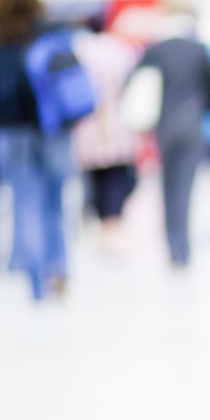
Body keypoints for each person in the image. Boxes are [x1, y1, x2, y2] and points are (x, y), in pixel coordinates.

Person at [0, 0, 72, 298]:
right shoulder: (48, 27)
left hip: (9, 130)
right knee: (55, 201)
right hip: (53, 128)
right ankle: (58, 269)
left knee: (25, 202)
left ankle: (36, 281)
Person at [137, 11, 210, 267]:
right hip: (192, 126)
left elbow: (136, 85)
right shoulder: (198, 50)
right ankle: (182, 248)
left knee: (167, 187)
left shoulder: (155, 50)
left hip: (164, 127)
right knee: (185, 188)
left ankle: (173, 245)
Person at [71, 15, 139, 255]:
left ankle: (101, 230)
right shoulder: (120, 50)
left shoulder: (79, 51)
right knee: (116, 178)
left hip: (87, 126)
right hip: (117, 122)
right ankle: (112, 231)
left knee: (95, 179)